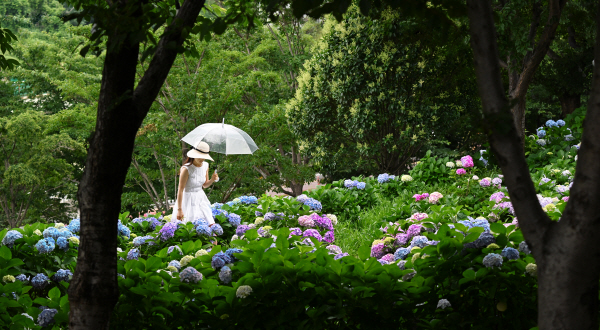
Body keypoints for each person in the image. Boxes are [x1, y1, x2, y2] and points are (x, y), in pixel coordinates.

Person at [173, 141, 219, 224]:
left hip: (201, 198)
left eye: (204, 157)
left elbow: (204, 185)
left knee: (209, 223)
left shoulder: (205, 165)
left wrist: (212, 180)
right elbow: (180, 190)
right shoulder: (186, 169)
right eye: (200, 156)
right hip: (188, 200)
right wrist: (179, 209)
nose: (202, 159)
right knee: (189, 225)